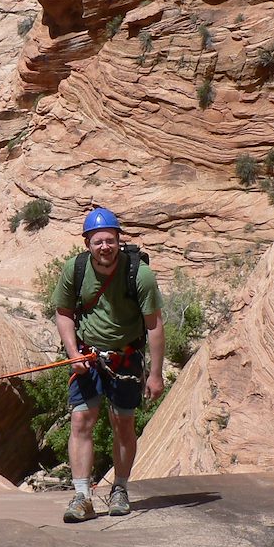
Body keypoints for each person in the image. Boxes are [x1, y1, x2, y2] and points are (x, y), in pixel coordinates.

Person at [52, 207, 164, 522]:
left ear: (118, 240)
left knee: (123, 424)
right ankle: (82, 496)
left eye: (110, 240)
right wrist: (73, 353)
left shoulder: (138, 274)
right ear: (87, 243)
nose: (105, 247)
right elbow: (63, 313)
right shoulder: (75, 269)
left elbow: (154, 326)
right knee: (80, 421)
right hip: (87, 356)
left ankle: (121, 489)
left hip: (126, 357)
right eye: (98, 241)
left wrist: (155, 375)